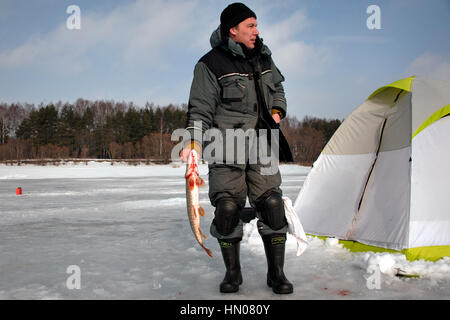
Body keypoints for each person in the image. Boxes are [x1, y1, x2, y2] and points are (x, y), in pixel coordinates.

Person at [182, 2, 293, 294]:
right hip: (226, 146)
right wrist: (193, 141)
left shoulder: (265, 58)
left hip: (263, 146)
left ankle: (276, 274)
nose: (257, 31)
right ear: (233, 30)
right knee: (228, 208)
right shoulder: (210, 64)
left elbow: (278, 90)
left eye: (256, 25)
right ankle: (233, 274)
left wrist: (277, 113)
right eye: (250, 26)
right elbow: (200, 109)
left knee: (272, 205)